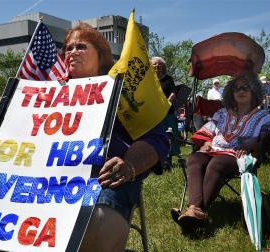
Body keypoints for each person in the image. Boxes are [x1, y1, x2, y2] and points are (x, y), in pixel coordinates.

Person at [63, 23, 169, 251]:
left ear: (101, 55)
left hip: (105, 177)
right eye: (68, 48)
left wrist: (130, 164)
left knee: (97, 224)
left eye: (80, 46)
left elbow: (156, 138)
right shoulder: (50, 95)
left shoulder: (123, 92)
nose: (72, 52)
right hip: (51, 179)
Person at [172, 73, 270, 231]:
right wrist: (206, 142)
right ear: (231, 93)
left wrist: (253, 142)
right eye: (236, 88)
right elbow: (208, 131)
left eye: (245, 87)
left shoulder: (263, 116)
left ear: (254, 91)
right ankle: (195, 210)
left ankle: (194, 212)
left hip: (241, 156)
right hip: (214, 150)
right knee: (194, 158)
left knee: (217, 163)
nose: (240, 91)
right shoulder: (222, 113)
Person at [152, 56, 180, 168]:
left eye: (158, 64)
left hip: (168, 112)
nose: (156, 66)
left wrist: (166, 104)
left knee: (169, 134)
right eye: (154, 64)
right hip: (154, 112)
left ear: (163, 66)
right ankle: (156, 159)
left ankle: (168, 158)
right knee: (156, 135)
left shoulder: (168, 79)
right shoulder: (149, 79)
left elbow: (173, 93)